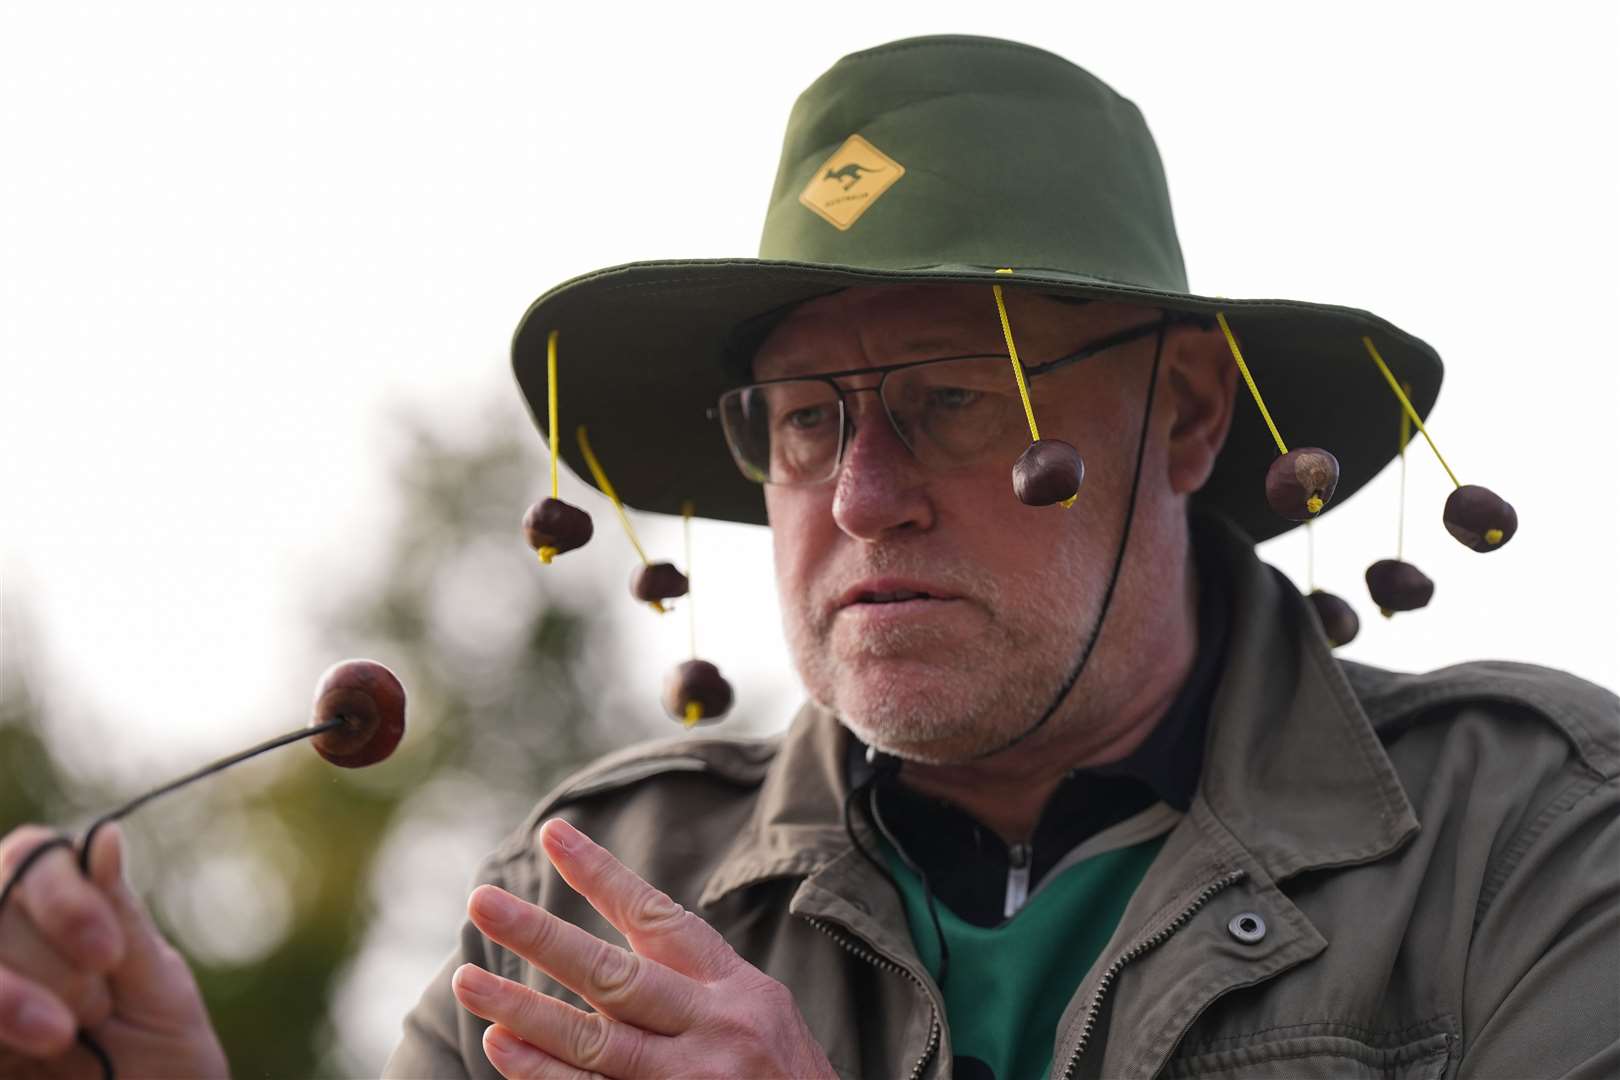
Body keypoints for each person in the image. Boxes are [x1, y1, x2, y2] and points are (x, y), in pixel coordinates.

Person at [2, 33, 1616, 1080]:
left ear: (1185, 424)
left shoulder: (1530, 834)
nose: (859, 497)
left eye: (957, 404)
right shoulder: (596, 898)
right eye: (801, 423)